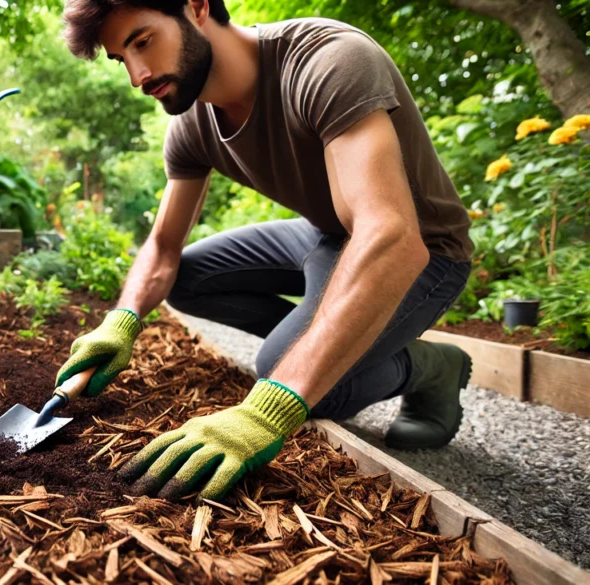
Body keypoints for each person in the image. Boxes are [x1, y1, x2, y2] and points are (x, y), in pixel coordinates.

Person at [53, 0, 475, 502]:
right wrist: (120, 321)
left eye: (143, 41)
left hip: (425, 250)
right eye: (121, 58)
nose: (137, 75)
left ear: (196, 7)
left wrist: (265, 410)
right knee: (187, 279)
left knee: (294, 378)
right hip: (327, 234)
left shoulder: (327, 62)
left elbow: (391, 236)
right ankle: (337, 335)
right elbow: (164, 247)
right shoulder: (192, 124)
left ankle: (428, 367)